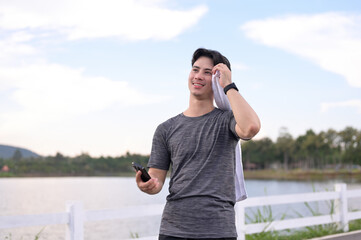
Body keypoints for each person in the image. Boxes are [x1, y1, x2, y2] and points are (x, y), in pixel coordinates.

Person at [135, 48, 261, 240]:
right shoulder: (166, 129)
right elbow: (157, 178)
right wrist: (149, 184)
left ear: (218, 79)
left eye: (207, 72)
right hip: (173, 229)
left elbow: (250, 127)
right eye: (195, 70)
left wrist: (229, 85)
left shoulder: (227, 120)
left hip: (218, 230)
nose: (198, 76)